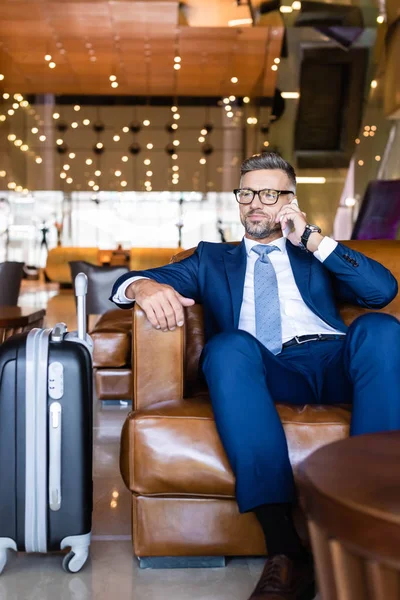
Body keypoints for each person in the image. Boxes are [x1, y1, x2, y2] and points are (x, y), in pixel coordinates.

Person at [110, 152, 400, 600]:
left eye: (268, 193)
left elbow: (381, 292)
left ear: (289, 200)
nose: (255, 203)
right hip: (267, 368)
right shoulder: (211, 259)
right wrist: (143, 287)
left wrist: (312, 239)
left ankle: (369, 519)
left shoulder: (314, 254)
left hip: (335, 360)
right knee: (226, 346)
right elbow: (129, 282)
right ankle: (286, 548)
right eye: (246, 193)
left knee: (381, 329)